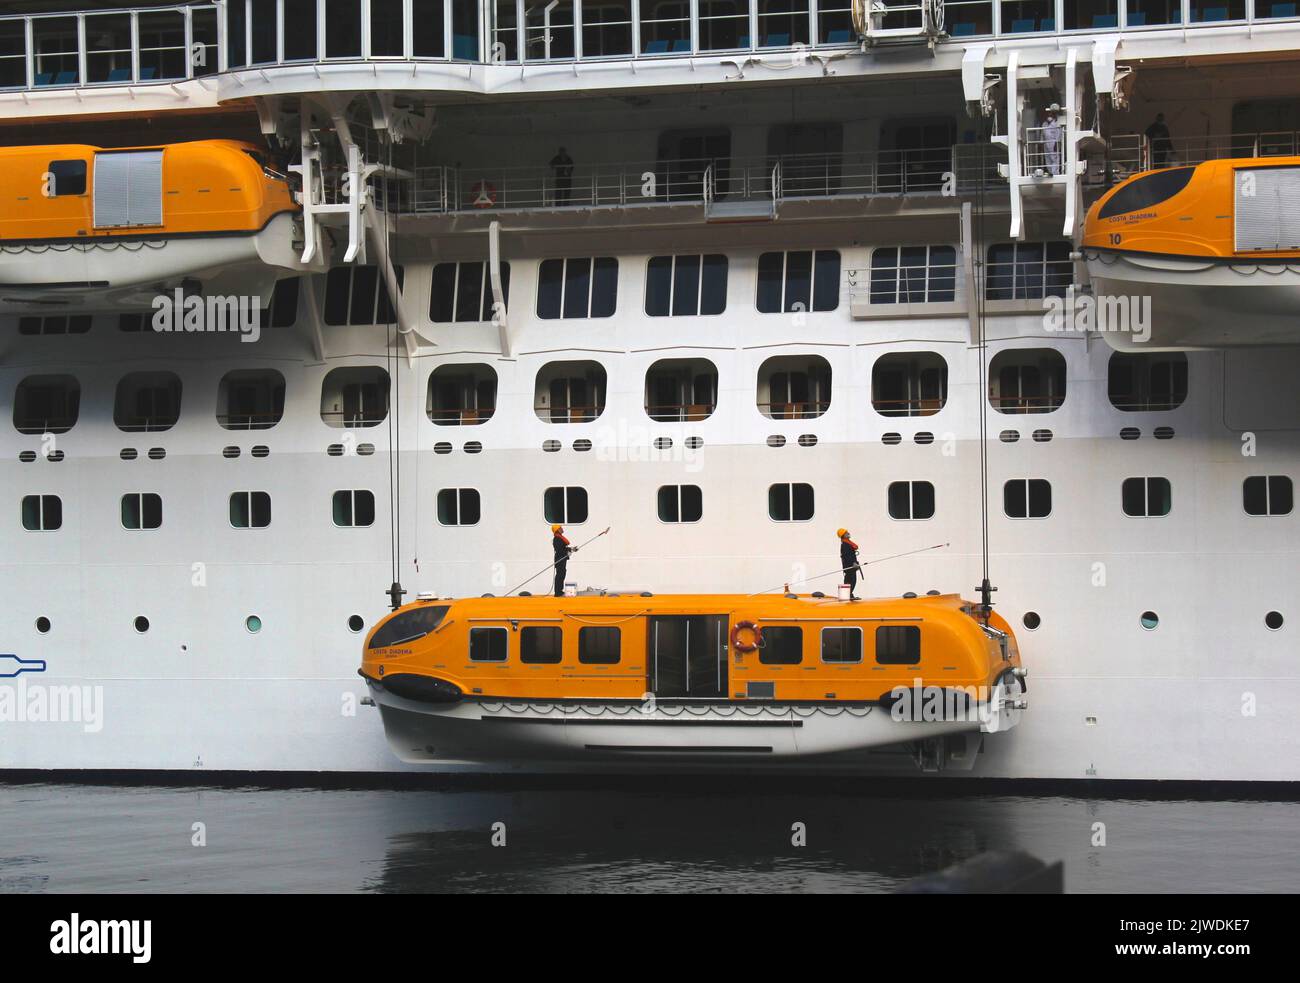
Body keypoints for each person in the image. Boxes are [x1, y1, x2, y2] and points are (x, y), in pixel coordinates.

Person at [552, 524, 576, 597]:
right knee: (560, 575)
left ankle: (559, 591)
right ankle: (557, 592)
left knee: (562, 574)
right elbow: (559, 550)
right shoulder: (557, 539)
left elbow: (563, 548)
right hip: (560, 559)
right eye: (560, 528)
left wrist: (571, 549)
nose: (562, 529)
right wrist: (568, 551)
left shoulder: (559, 538)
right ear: (557, 530)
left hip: (562, 558)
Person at [838, 528, 862, 601]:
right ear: (843, 535)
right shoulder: (845, 544)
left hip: (850, 565)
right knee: (850, 580)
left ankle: (848, 595)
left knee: (850, 580)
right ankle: (846, 596)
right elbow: (847, 556)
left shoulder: (846, 543)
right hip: (849, 566)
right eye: (846, 532)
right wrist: (853, 563)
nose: (848, 533)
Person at [1042, 111, 1062, 176]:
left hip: (1053, 143)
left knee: (1054, 159)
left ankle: (1055, 173)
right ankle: (1050, 172)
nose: (1049, 117)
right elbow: (1042, 134)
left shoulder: (1056, 124)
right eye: (1048, 115)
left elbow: (1058, 135)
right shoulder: (1044, 124)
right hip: (1046, 143)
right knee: (1047, 158)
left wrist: (1056, 143)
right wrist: (1041, 142)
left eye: (1050, 115)